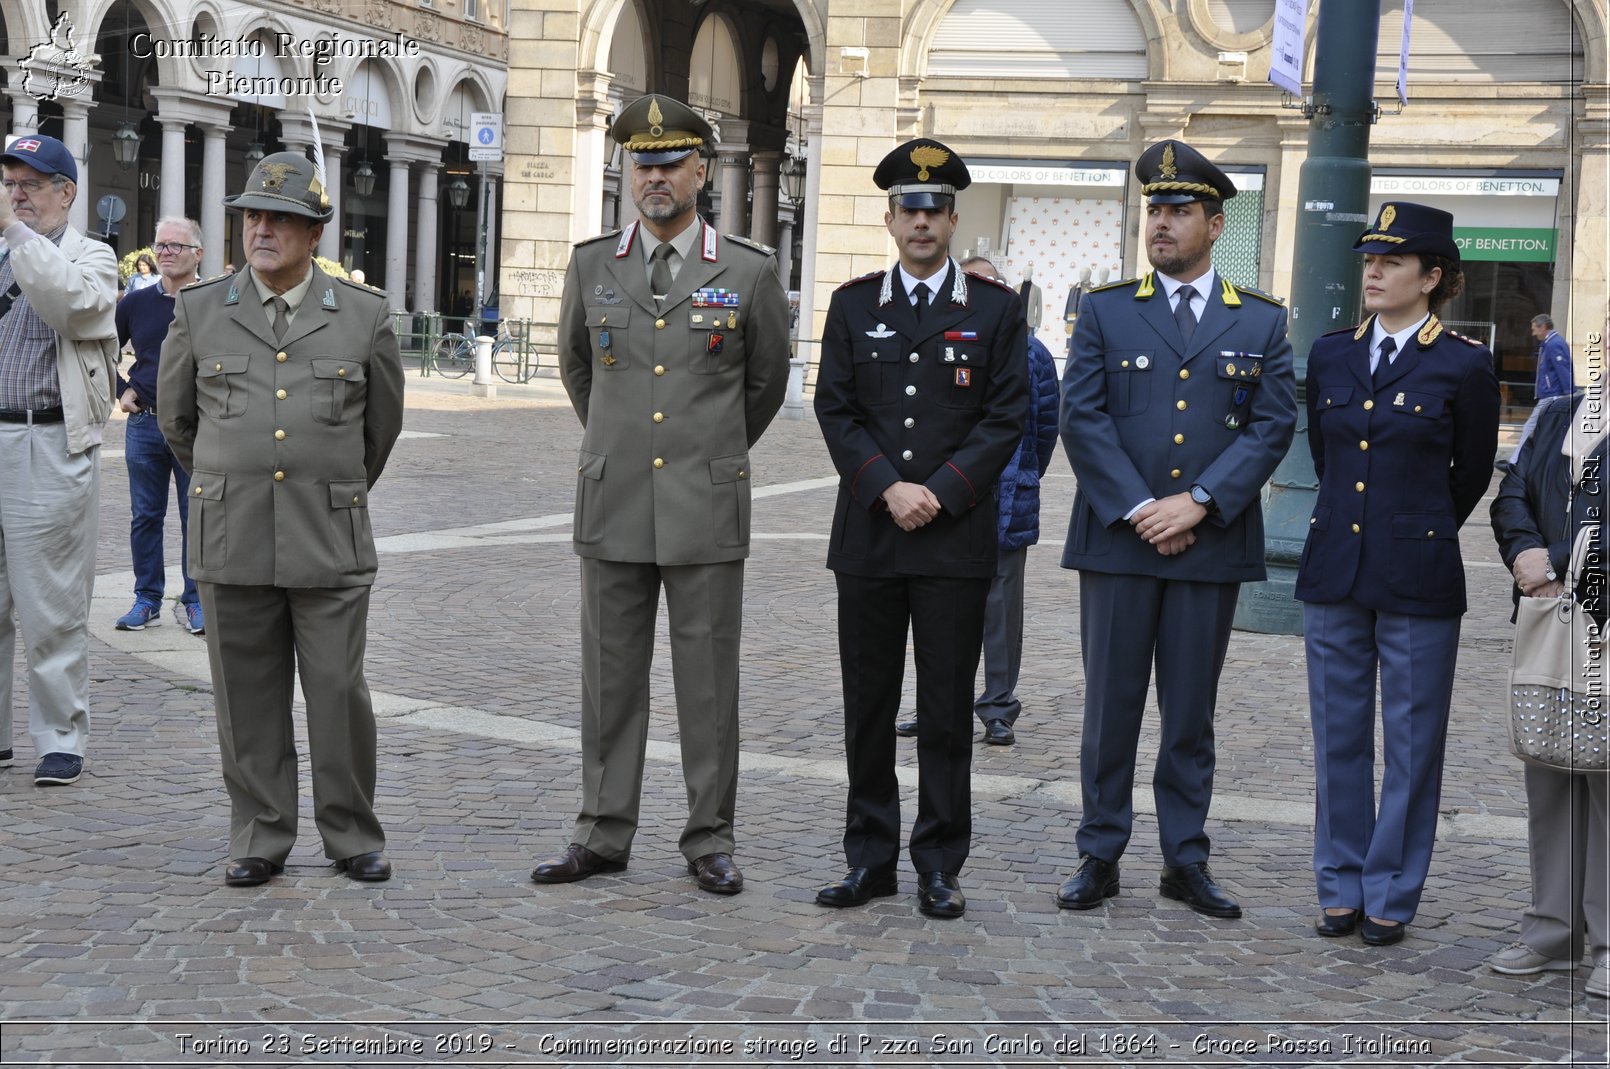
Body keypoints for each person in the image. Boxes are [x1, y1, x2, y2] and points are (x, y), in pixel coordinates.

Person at [534, 94, 790, 896]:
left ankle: (709, 835)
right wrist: (628, 446)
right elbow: (580, 371)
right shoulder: (590, 264)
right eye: (641, 164)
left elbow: (766, 384)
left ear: (700, 171)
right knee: (609, 678)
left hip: (704, 503)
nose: (653, 177)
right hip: (613, 501)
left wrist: (700, 452)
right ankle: (602, 831)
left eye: (669, 162)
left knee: (707, 682)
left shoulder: (747, 270)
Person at [1056, 139, 1296, 919]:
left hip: (1209, 541)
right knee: (1111, 707)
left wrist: (1197, 500)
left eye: (1178, 210)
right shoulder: (1106, 308)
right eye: (1154, 209)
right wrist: (1140, 507)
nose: (1160, 222)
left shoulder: (1258, 320)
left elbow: (1271, 426)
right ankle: (1100, 852)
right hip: (1120, 541)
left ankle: (1184, 858)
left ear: (1215, 223)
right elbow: (1081, 417)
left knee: (1190, 711)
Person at [157, 153, 406, 887]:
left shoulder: (363, 316)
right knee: (245, 693)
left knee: (337, 691)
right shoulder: (199, 309)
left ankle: (351, 831)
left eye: (281, 220)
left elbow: (379, 432)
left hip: (327, 535)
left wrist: (328, 486)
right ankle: (261, 833)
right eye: (253, 217)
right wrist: (228, 480)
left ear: (315, 233)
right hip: (232, 534)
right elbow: (178, 421)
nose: (262, 230)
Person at [813, 139, 1028, 919]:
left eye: (936, 209)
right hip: (871, 536)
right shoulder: (853, 303)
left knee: (943, 712)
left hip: (952, 536)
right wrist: (886, 488)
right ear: (889, 219)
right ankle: (869, 858)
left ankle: (940, 860)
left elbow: (1007, 417)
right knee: (868, 707)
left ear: (954, 218)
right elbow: (834, 409)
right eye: (910, 208)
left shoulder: (995, 310)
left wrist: (937, 491)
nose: (923, 221)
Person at [1296, 202, 1500, 945]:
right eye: (1368, 260)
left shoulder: (1464, 363)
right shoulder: (1331, 354)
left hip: (1417, 574)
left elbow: (1469, 475)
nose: (1373, 271)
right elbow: (1327, 456)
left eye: (1392, 261)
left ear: (1433, 276)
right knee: (1337, 739)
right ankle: (1339, 884)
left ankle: (1391, 889)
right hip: (1334, 571)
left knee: (1413, 743)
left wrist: (1412, 526)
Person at [894, 257, 1058, 746]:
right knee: (940, 611)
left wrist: (1024, 476)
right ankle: (939, 702)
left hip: (1008, 499)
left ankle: (997, 706)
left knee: (1001, 611)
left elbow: (1047, 427)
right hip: (948, 500)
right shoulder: (939, 340)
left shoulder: (1033, 353)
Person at [0, 135, 118, 787]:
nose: (17, 194)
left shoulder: (91, 256)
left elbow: (71, 305)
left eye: (31, 183)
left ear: (65, 193)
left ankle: (60, 735)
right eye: (10, 182)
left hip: (46, 441)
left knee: (51, 603)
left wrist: (15, 233)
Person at [1490, 370, 1608, 999]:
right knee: (1552, 768)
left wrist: (1560, 560)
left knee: (1609, 782)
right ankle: (1554, 930)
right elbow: (1510, 495)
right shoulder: (1561, 410)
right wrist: (1527, 558)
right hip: (1549, 614)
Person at [113, 217, 206, 635]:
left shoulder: (216, 302)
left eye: (175, 246)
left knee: (198, 517)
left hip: (199, 427)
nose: (165, 252)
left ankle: (197, 601)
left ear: (197, 254)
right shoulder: (135, 304)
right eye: (160, 245)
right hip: (146, 424)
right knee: (145, 516)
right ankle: (147, 598)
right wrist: (121, 388)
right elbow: (100, 348)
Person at [1502, 314, 1575, 469]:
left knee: (1530, 427)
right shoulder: (1549, 344)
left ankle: (1515, 462)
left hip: (1552, 396)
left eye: (1534, 329)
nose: (1533, 333)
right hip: (1552, 395)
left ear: (1543, 327)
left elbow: (1563, 369)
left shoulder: (1554, 344)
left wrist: (1569, 393)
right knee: (1549, 431)